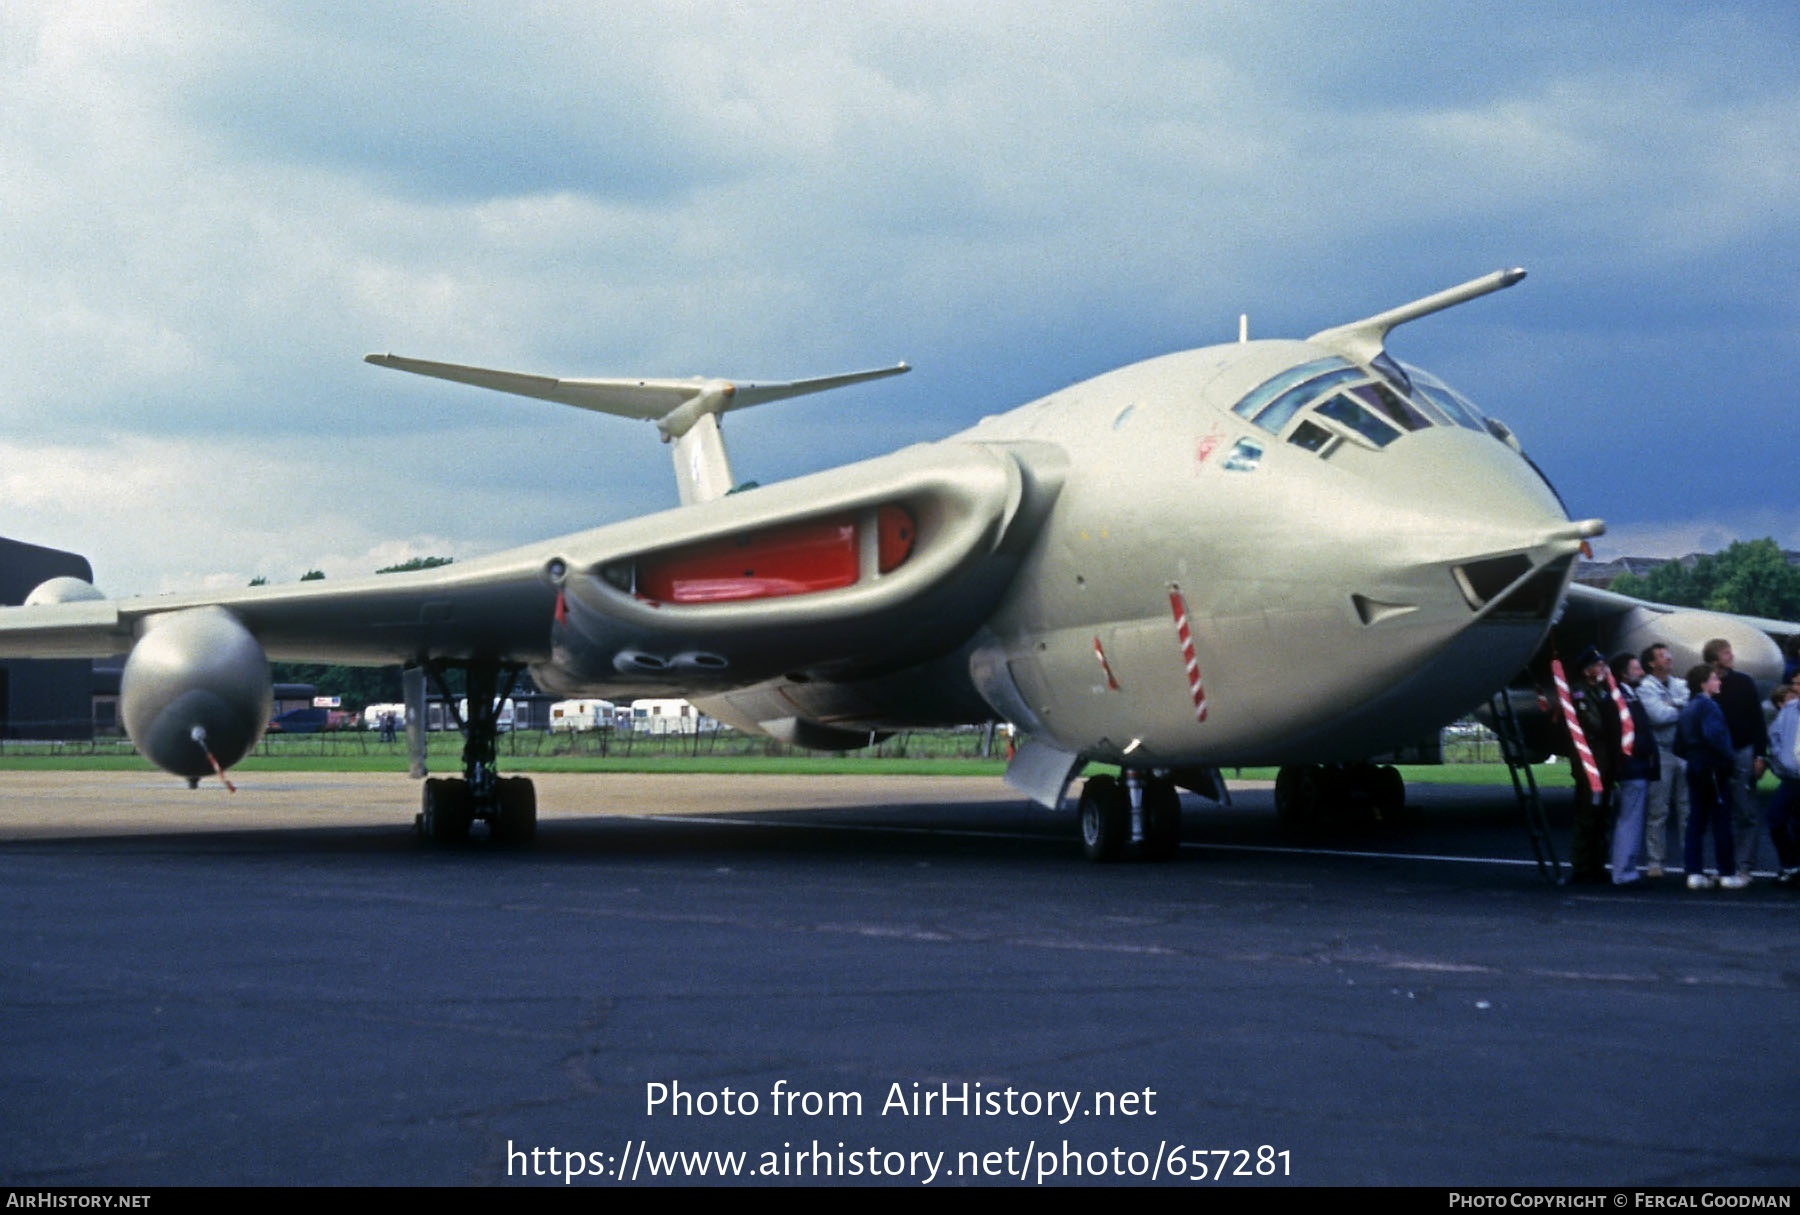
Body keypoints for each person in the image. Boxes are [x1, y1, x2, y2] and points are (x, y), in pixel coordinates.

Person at [1677, 664, 1747, 890]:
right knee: (1721, 820)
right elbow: (1714, 736)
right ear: (1703, 683)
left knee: (1696, 820)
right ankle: (1726, 872)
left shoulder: (1688, 708)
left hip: (1695, 766)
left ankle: (1694, 872)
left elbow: (1679, 744)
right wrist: (1728, 757)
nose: (1718, 682)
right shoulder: (1710, 707)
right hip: (1713, 767)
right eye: (1714, 678)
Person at [1704, 638, 1768, 879]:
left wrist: (1760, 754)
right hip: (1715, 754)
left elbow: (1757, 720)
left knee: (1745, 810)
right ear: (1714, 658)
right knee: (1719, 811)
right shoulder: (1706, 683)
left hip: (1742, 751)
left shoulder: (1743, 682)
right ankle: (1724, 865)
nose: (1731, 656)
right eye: (1726, 653)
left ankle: (1744, 865)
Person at [1566, 646, 1621, 884]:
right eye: (1598, 665)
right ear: (1587, 670)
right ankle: (1581, 865)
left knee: (1602, 816)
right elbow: (1594, 725)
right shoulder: (1580, 694)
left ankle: (1598, 863)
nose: (1603, 669)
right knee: (1587, 816)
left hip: (1605, 763)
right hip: (1590, 764)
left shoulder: (1601, 691)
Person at [1636, 642, 1689, 878]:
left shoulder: (1680, 684)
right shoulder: (1645, 688)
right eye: (1661, 655)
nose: (1668, 657)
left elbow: (1688, 707)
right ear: (1651, 663)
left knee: (1687, 807)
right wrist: (1678, 706)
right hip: (1661, 752)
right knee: (1658, 809)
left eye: (1667, 653)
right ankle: (1655, 860)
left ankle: (1691, 859)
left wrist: (1673, 705)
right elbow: (1657, 716)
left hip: (1683, 751)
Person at [1607, 652, 1659, 885]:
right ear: (1624, 673)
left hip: (1637, 765)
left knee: (1633, 818)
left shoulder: (1629, 696)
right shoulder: (1620, 698)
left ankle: (1627, 867)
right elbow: (1624, 733)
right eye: (1636, 668)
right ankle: (1622, 870)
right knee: (1630, 819)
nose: (1640, 672)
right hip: (1632, 765)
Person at [1764, 683, 1800, 886]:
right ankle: (1790, 864)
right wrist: (1780, 760)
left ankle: (1793, 868)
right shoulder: (1788, 710)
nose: (1795, 689)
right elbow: (1774, 736)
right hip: (1792, 777)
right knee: (1776, 818)